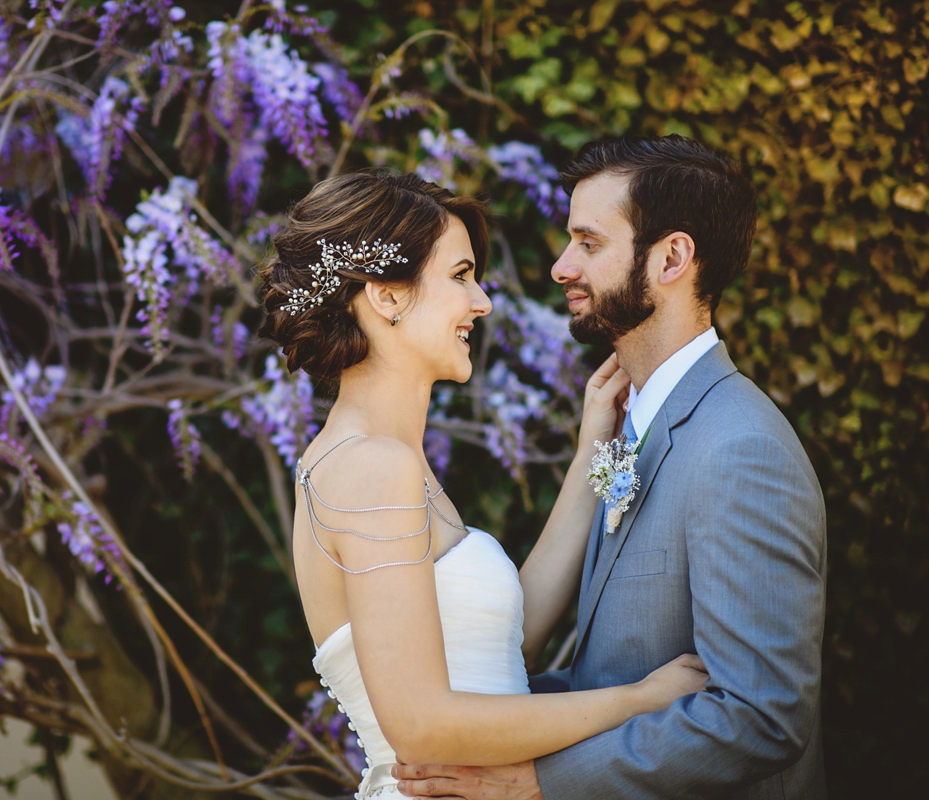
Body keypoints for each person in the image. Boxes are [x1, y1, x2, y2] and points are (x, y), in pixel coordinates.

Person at [393, 135, 828, 799]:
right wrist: (465, 733)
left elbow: (760, 716)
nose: (561, 266)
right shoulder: (631, 424)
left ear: (672, 258)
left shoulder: (742, 449)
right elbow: (611, 674)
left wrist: (540, 781)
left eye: (589, 244)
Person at [258, 171, 709, 800]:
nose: (483, 302)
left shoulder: (381, 459)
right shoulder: (371, 468)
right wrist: (640, 701)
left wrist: (591, 458)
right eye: (460, 276)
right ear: (387, 296)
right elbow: (422, 727)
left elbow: (498, 651)